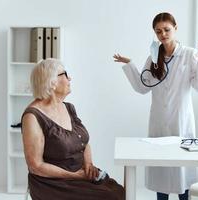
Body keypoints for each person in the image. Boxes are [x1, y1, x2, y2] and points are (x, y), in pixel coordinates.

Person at [113, 12, 198, 200]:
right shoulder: (153, 57)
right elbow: (143, 86)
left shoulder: (190, 54)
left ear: (175, 28)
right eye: (158, 31)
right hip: (159, 122)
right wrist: (130, 64)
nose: (163, 34)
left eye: (166, 29)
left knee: (183, 173)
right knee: (163, 172)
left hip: (181, 121)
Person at [21, 58, 125, 200]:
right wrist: (74, 175)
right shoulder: (32, 117)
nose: (70, 78)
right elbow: (36, 166)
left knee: (119, 192)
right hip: (52, 183)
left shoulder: (68, 107)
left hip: (79, 174)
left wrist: (88, 164)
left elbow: (83, 141)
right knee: (110, 197)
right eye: (65, 74)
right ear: (51, 82)